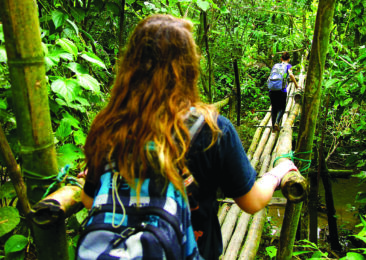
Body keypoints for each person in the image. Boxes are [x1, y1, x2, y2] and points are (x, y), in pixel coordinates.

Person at [79, 14, 298, 260]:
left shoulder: (109, 126)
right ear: (189, 67)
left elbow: (89, 200)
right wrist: (276, 174)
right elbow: (252, 202)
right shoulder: (213, 129)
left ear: (131, 64)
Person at [269, 52, 300, 132]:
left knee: (274, 108)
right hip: (282, 90)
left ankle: (273, 127)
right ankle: (277, 122)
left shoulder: (275, 65)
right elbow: (291, 75)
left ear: (281, 59)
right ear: (289, 59)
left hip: (272, 90)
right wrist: (296, 85)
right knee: (282, 108)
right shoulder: (288, 66)